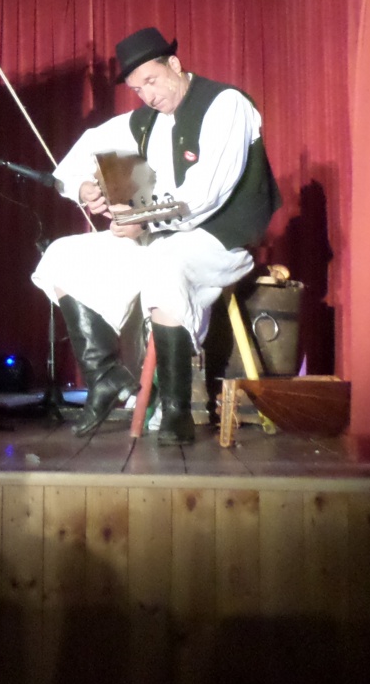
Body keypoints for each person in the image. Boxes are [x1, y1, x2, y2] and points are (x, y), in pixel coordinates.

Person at [33, 27, 280, 444]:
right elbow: (83, 153)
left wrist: (142, 221)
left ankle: (176, 411)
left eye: (151, 81)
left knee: (166, 265)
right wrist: (83, 186)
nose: (147, 96)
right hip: (158, 237)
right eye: (137, 89)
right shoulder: (144, 122)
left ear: (175, 65)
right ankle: (105, 376)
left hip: (219, 239)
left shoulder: (225, 105)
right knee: (61, 256)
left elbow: (203, 195)